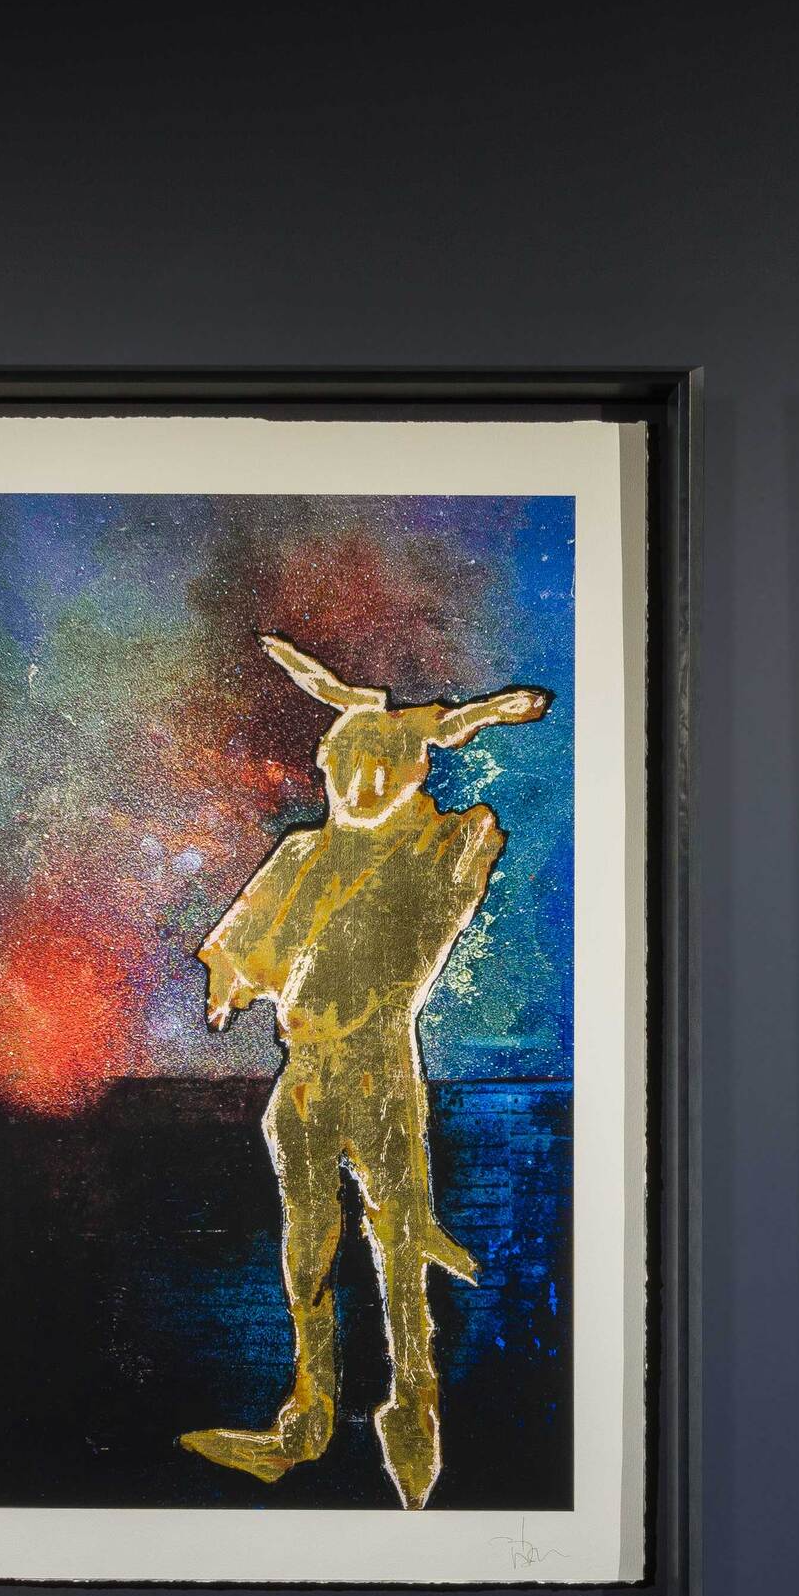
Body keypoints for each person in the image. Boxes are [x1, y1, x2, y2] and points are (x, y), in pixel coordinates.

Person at [181, 635, 547, 1511]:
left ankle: (413, 1404)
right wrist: (230, 982)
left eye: (381, 770)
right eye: (347, 768)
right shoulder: (304, 856)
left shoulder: (437, 849)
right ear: (330, 767)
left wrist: (479, 714)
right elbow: (246, 944)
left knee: (396, 1244)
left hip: (379, 1067)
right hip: (305, 1077)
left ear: (410, 773)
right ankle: (308, 1416)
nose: (360, 785)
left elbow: (422, 926)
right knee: (309, 1242)